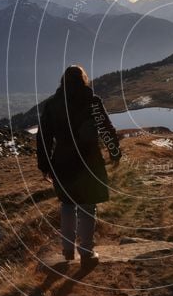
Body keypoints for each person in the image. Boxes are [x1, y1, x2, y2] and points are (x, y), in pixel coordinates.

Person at [36, 65, 121, 265]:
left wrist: (44, 165)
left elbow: (44, 137)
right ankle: (86, 252)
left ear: (62, 81)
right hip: (88, 160)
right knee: (87, 207)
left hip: (62, 162)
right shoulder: (92, 102)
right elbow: (105, 129)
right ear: (84, 79)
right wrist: (114, 152)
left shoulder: (52, 105)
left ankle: (67, 250)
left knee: (67, 205)